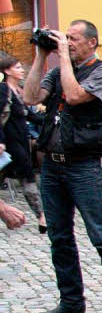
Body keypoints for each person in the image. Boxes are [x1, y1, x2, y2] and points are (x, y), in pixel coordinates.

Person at [23, 19, 102, 313]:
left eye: (73, 38)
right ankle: (71, 301)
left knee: (101, 236)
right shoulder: (59, 70)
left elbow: (73, 96)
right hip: (53, 166)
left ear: (91, 43)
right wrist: (41, 57)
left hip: (83, 165)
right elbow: (30, 97)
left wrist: (61, 57)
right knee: (59, 237)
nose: (68, 43)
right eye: (65, 38)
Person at [0, 55, 46, 232]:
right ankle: (41, 217)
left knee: (25, 176)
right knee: (26, 176)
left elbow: (30, 116)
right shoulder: (3, 90)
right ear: (7, 70)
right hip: (8, 143)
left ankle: (40, 217)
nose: (22, 70)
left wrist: (52, 119)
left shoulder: (18, 91)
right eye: (17, 67)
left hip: (20, 142)